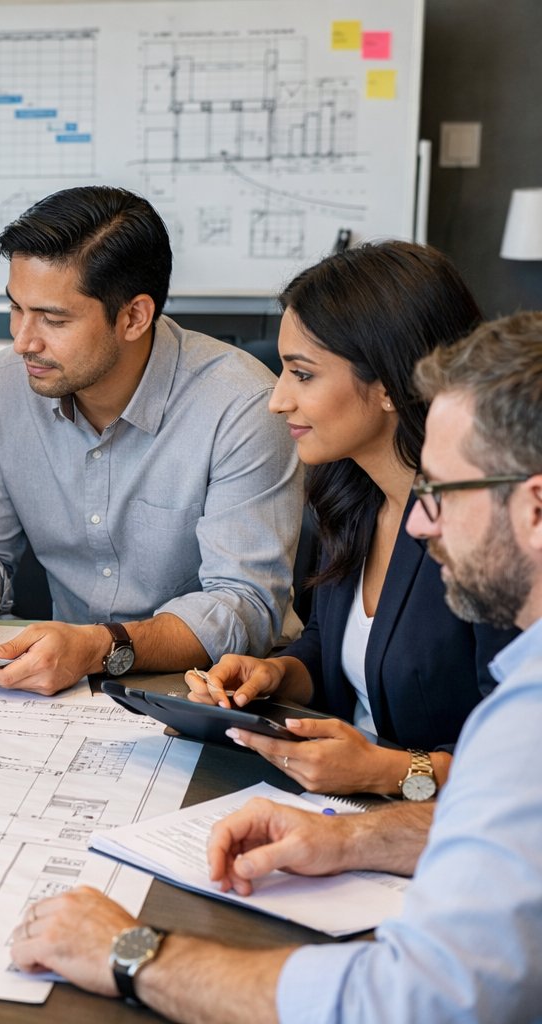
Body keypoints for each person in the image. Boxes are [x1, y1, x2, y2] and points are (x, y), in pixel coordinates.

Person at [10, 311, 542, 1022]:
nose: (421, 523)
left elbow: (412, 1001)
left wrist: (131, 952)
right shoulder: (351, 508)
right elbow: (511, 831)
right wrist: (351, 837)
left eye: (443, 493)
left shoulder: (527, 716)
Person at [0, 186, 302, 695]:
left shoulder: (241, 405)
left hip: (215, 690)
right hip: (67, 683)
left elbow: (243, 604)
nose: (23, 340)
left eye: (53, 319)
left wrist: (100, 646)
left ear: (134, 316)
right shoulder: (3, 387)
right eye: (16, 309)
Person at [185, 242, 514, 796]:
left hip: (433, 821)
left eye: (302, 375)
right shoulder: (351, 490)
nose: (278, 400)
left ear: (389, 384)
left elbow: (518, 749)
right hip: (331, 797)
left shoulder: (488, 531)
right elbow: (330, 637)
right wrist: (280, 674)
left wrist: (387, 771)